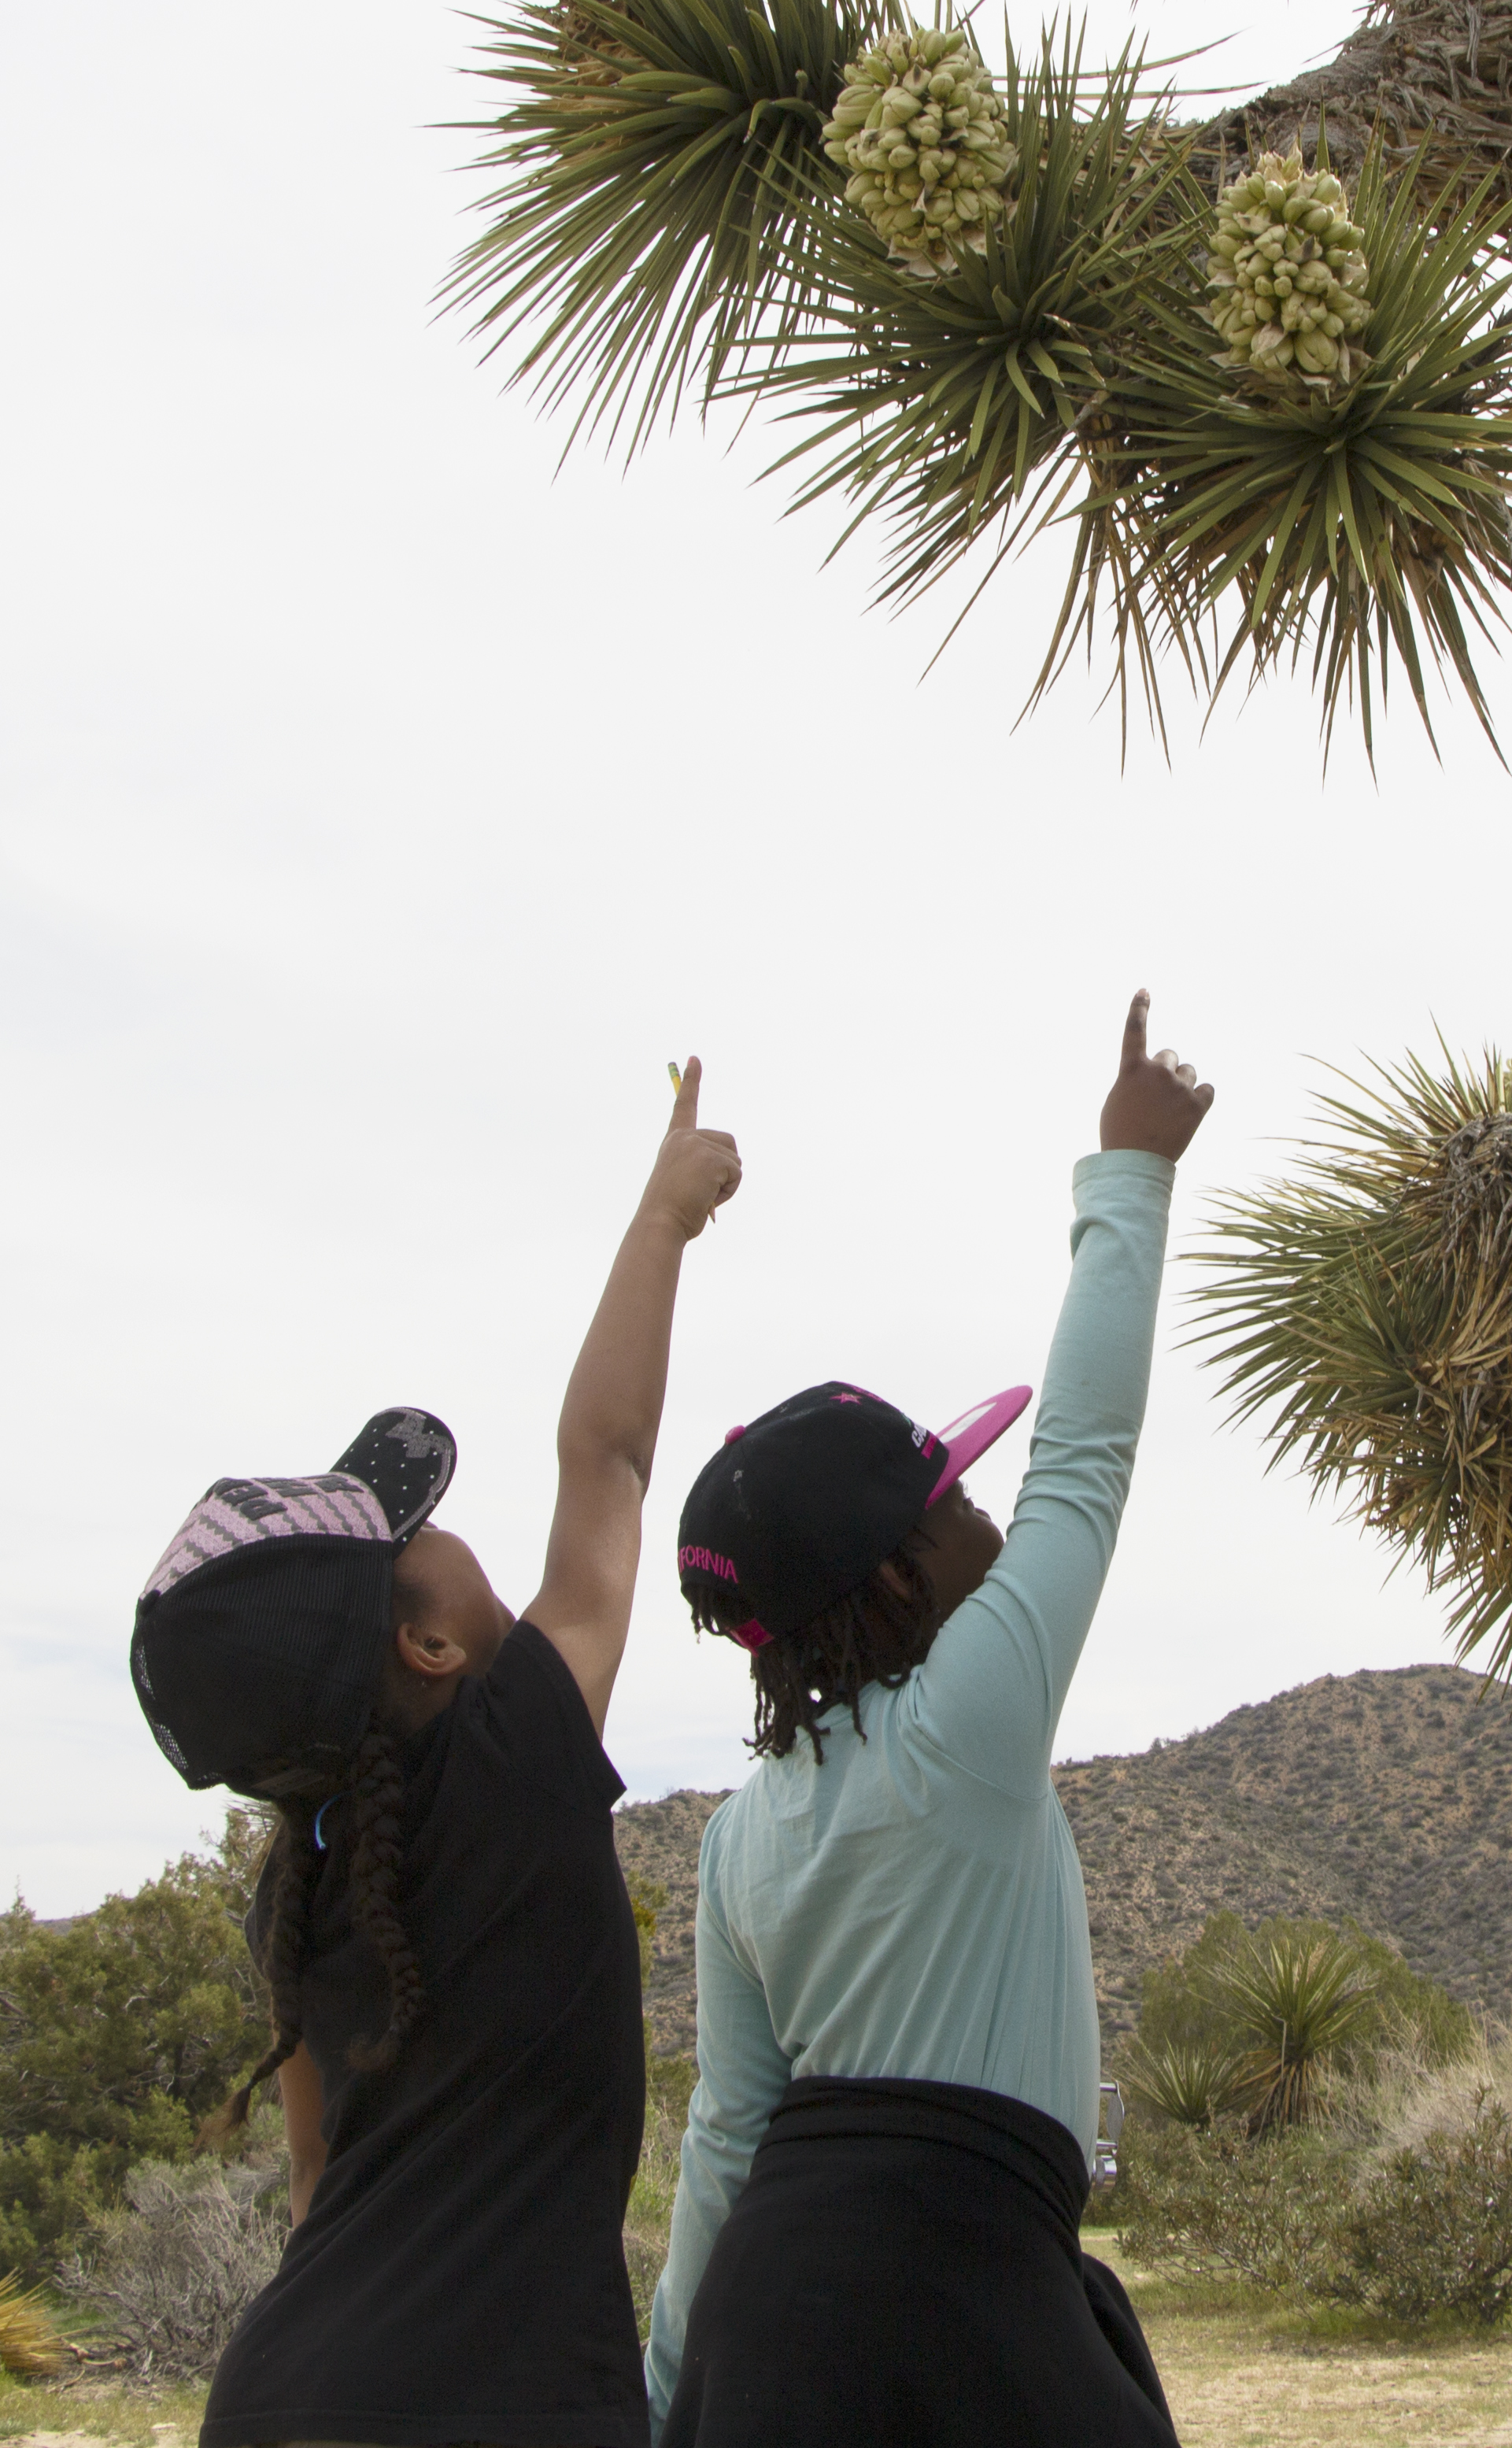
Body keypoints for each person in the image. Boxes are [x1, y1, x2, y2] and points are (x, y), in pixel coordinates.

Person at [131, 1062, 744, 2448]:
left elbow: (310, 2184)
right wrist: (661, 1222)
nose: (445, 1534)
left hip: (283, 2393)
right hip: (515, 2404)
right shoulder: (516, 1755)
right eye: (415, 1538)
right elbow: (610, 1460)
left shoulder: (289, 1894)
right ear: (429, 1649)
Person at [647, 989, 1211, 2448]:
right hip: (946, 2302)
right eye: (956, 1499)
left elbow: (725, 2140)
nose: (985, 1518)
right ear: (902, 1572)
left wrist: (665, 2396)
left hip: (769, 2328)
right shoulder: (966, 1724)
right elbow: (1083, 1460)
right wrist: (1131, 1172)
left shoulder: (740, 1838)